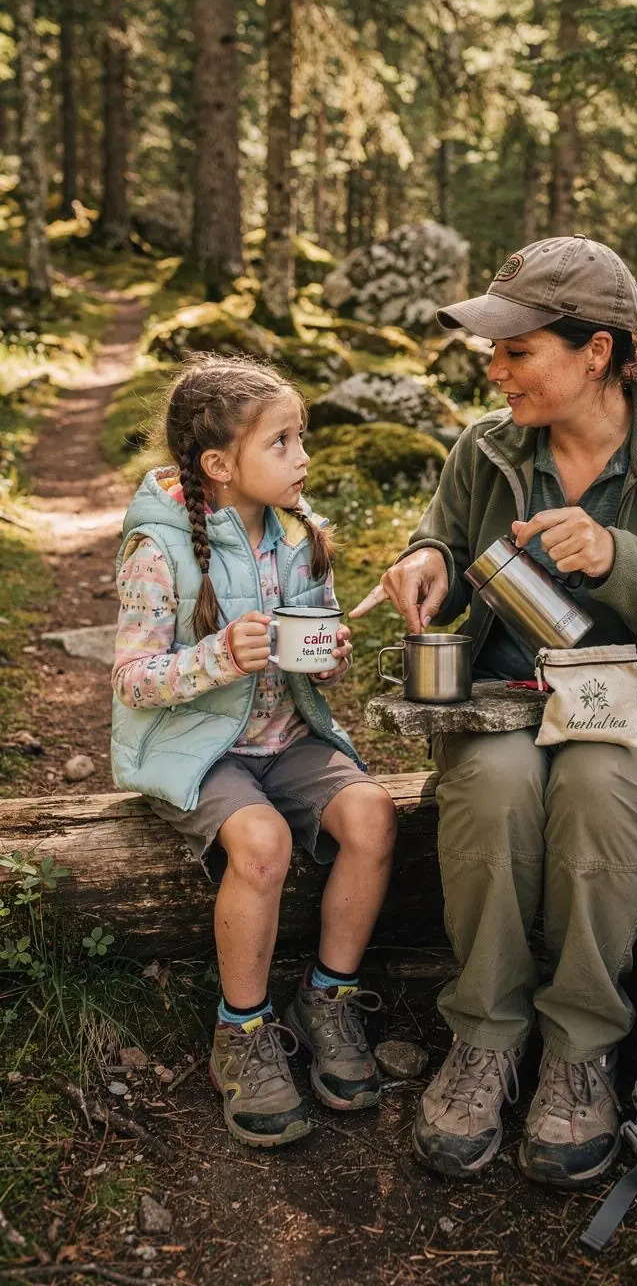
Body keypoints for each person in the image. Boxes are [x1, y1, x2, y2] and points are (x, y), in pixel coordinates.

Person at [352, 235, 637, 1189]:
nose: (495, 372)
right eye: (493, 352)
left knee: (596, 777)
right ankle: (488, 1038)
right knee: (497, 783)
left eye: (517, 350)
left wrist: (620, 559)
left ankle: (581, 1046)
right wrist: (426, 561)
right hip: (508, 705)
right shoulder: (489, 448)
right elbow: (448, 554)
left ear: (599, 352)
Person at [111, 355, 396, 1150]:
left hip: (288, 738)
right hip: (198, 746)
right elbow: (134, 680)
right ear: (220, 465)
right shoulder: (159, 549)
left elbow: (319, 641)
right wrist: (219, 657)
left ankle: (329, 997)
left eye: (301, 437)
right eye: (282, 442)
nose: (303, 457)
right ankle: (241, 1030)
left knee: (373, 814)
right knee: (263, 843)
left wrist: (330, 652)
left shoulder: (305, 535)